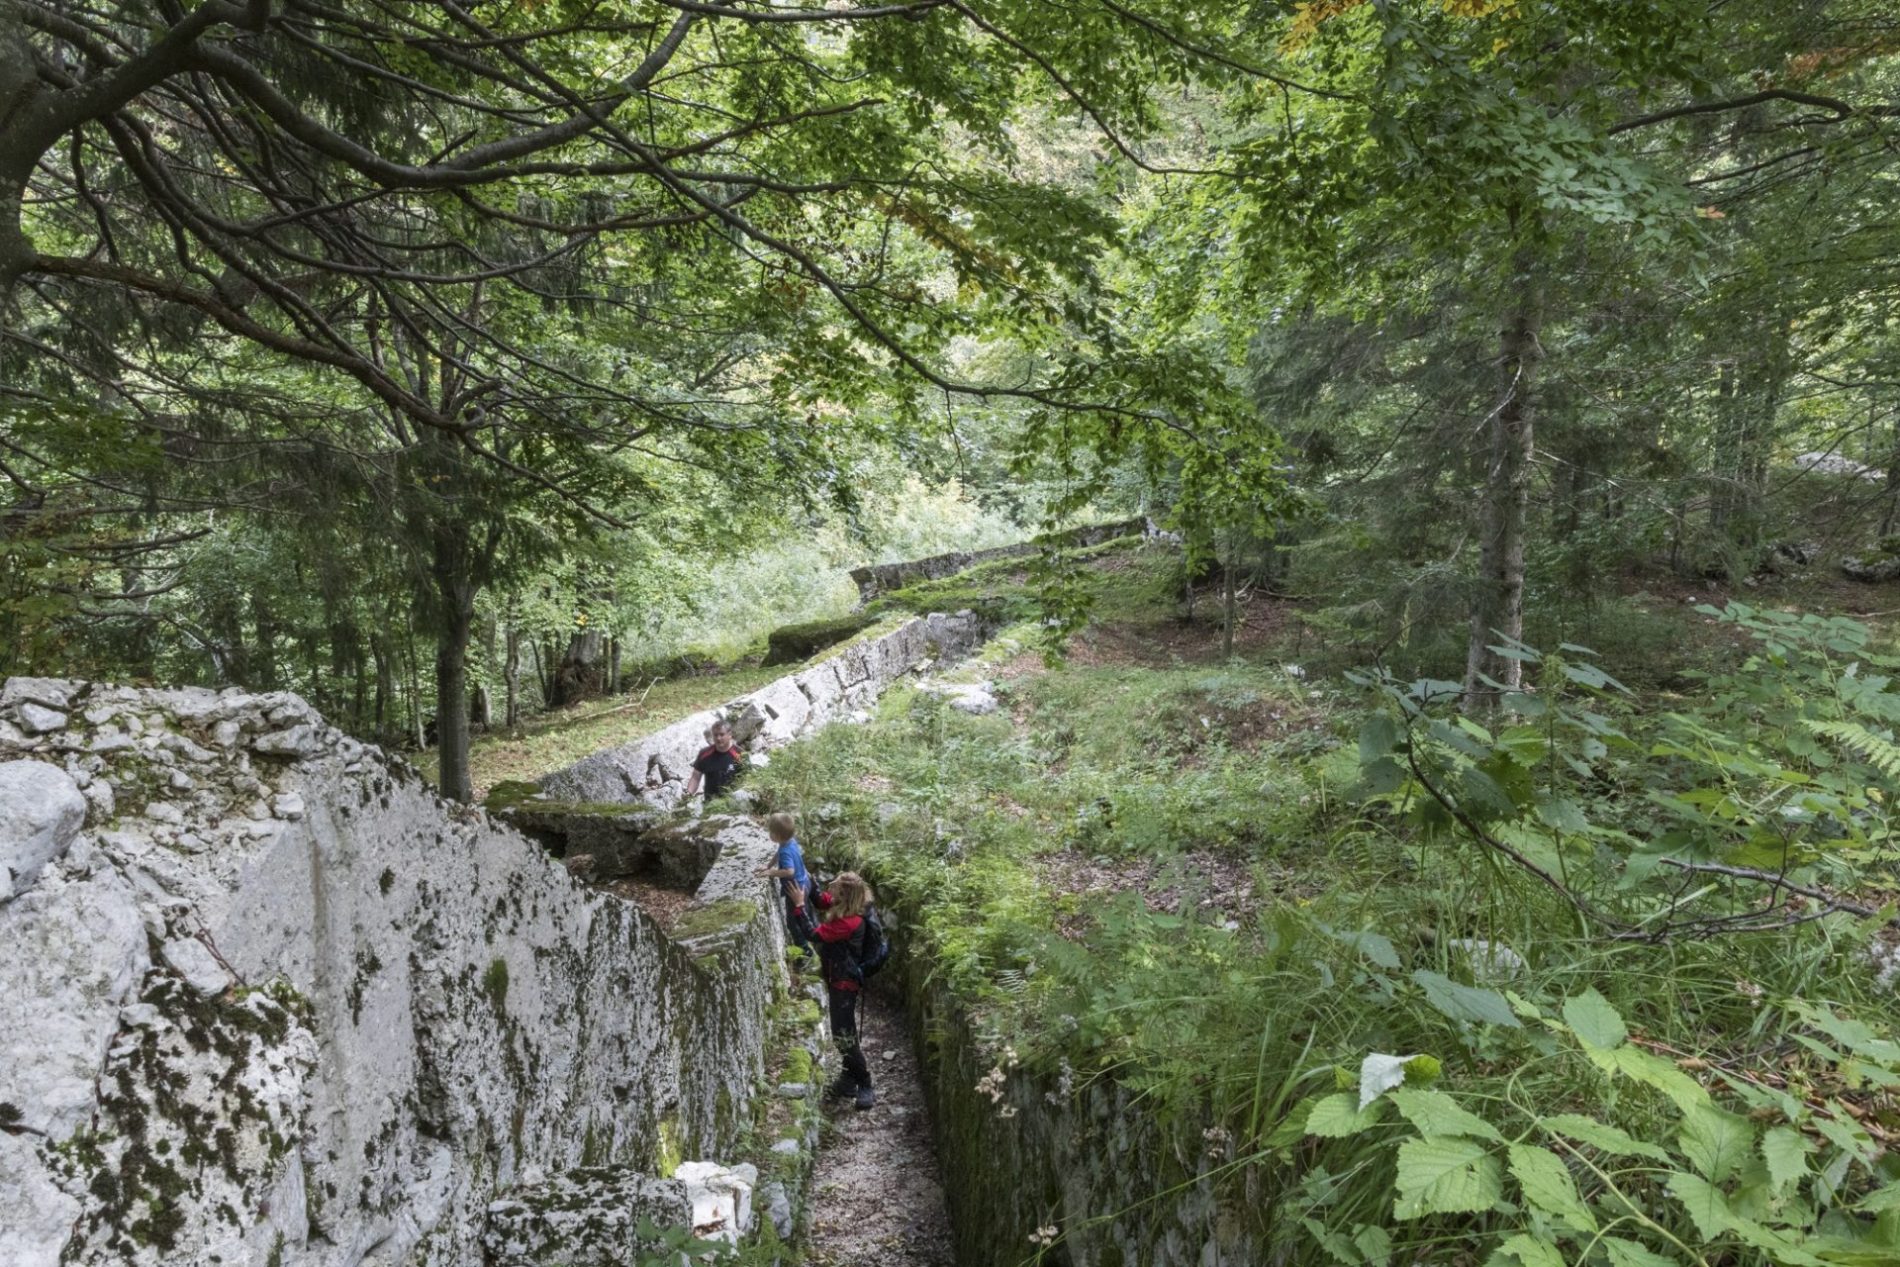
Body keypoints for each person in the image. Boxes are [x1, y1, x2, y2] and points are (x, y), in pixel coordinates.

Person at [814, 871, 876, 1111]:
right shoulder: (855, 911)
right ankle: (849, 1079)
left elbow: (814, 933)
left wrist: (799, 907)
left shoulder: (848, 922)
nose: (831, 892)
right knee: (843, 1032)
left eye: (837, 890)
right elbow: (823, 901)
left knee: (843, 1035)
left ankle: (865, 1083)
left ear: (845, 896)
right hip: (842, 980)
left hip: (844, 983)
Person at [756, 812, 816, 952]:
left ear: (777, 836)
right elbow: (779, 853)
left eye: (770, 832)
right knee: (805, 913)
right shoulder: (790, 842)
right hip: (805, 883)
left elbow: (789, 871)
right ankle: (812, 936)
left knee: (792, 922)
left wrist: (772, 872)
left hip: (794, 889)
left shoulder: (785, 851)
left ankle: (805, 949)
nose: (769, 834)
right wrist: (768, 865)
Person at [684, 721, 743, 802]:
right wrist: (688, 794)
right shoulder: (704, 754)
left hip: (734, 804)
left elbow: (748, 779)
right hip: (710, 805)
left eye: (722, 734)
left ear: (729, 735)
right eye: (715, 735)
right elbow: (695, 777)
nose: (718, 738)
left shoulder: (739, 754)